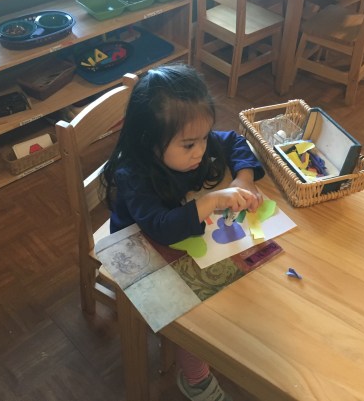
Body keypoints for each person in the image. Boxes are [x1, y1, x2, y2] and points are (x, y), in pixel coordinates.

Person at [102, 64, 265, 401]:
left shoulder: (193, 144)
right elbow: (162, 228)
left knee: (241, 279)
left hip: (184, 235)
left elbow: (235, 141)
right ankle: (195, 379)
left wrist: (244, 178)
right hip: (137, 244)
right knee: (190, 314)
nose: (201, 151)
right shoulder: (133, 173)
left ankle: (217, 342)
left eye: (204, 138)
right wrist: (210, 202)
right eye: (190, 144)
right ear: (149, 142)